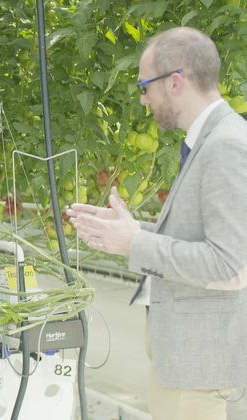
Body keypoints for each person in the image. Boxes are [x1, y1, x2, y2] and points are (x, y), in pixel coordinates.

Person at [67, 27, 247, 420]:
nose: (143, 99)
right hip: (184, 359)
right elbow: (199, 239)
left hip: (195, 364)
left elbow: (229, 265)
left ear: (176, 82)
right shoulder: (210, 140)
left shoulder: (227, 146)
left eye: (145, 86)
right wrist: (130, 230)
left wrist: (134, 244)